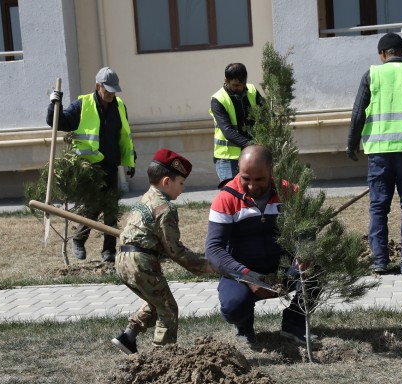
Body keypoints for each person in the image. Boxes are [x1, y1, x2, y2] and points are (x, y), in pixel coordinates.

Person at [205, 144, 318, 345]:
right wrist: (249, 277)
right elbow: (213, 251)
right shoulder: (226, 199)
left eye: (260, 179)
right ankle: (244, 326)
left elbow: (307, 231)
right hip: (243, 272)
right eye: (245, 179)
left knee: (317, 267)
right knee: (233, 308)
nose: (252, 186)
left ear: (271, 171)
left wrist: (303, 255)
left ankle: (294, 321)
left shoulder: (290, 192)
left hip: (284, 269)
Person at [345, 32, 402, 274]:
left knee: (378, 207)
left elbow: (358, 114)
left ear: (382, 54)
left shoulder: (372, 75)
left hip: (379, 153)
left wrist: (351, 144)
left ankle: (380, 262)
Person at [111, 148, 213, 355]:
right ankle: (163, 357)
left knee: (156, 300)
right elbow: (175, 250)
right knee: (168, 309)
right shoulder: (165, 208)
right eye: (181, 183)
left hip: (122, 258)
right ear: (167, 182)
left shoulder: (143, 199)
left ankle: (128, 337)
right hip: (141, 261)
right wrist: (205, 265)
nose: (183, 190)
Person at [47, 66, 136, 263]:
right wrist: (54, 104)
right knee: (93, 208)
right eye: (108, 90)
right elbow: (58, 123)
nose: (112, 94)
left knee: (111, 210)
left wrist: (131, 158)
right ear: (98, 86)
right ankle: (78, 239)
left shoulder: (119, 105)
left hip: (111, 165)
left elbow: (124, 134)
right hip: (90, 166)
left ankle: (109, 252)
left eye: (114, 90)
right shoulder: (82, 105)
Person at [210, 63, 264, 186]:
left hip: (252, 155)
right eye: (235, 85)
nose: (240, 88)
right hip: (228, 158)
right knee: (231, 195)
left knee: (251, 195)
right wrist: (252, 145)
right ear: (226, 80)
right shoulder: (218, 99)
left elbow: (266, 115)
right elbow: (227, 131)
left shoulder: (252, 91)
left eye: (243, 84)